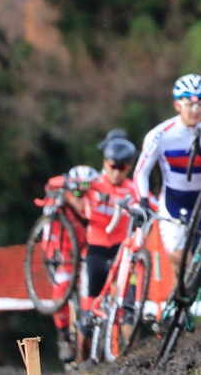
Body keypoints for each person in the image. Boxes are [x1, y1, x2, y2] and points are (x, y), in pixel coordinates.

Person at [135, 74, 201, 273]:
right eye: (189, 104)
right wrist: (143, 202)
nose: (196, 110)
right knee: (182, 262)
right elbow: (141, 172)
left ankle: (183, 298)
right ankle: (180, 292)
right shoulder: (161, 135)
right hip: (173, 202)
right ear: (177, 105)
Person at [81, 138, 140, 337]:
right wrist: (75, 189)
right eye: (112, 166)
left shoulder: (133, 188)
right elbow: (62, 184)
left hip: (121, 250)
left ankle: (129, 354)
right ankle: (80, 353)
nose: (116, 172)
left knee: (128, 302)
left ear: (129, 167)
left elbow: (153, 206)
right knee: (91, 300)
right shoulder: (93, 183)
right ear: (105, 163)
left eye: (122, 167)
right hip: (96, 248)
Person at [46, 164, 97, 367]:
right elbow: (50, 185)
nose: (80, 197)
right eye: (76, 192)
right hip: (63, 256)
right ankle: (64, 337)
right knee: (60, 290)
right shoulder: (59, 204)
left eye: (86, 193)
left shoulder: (94, 205)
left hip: (88, 253)